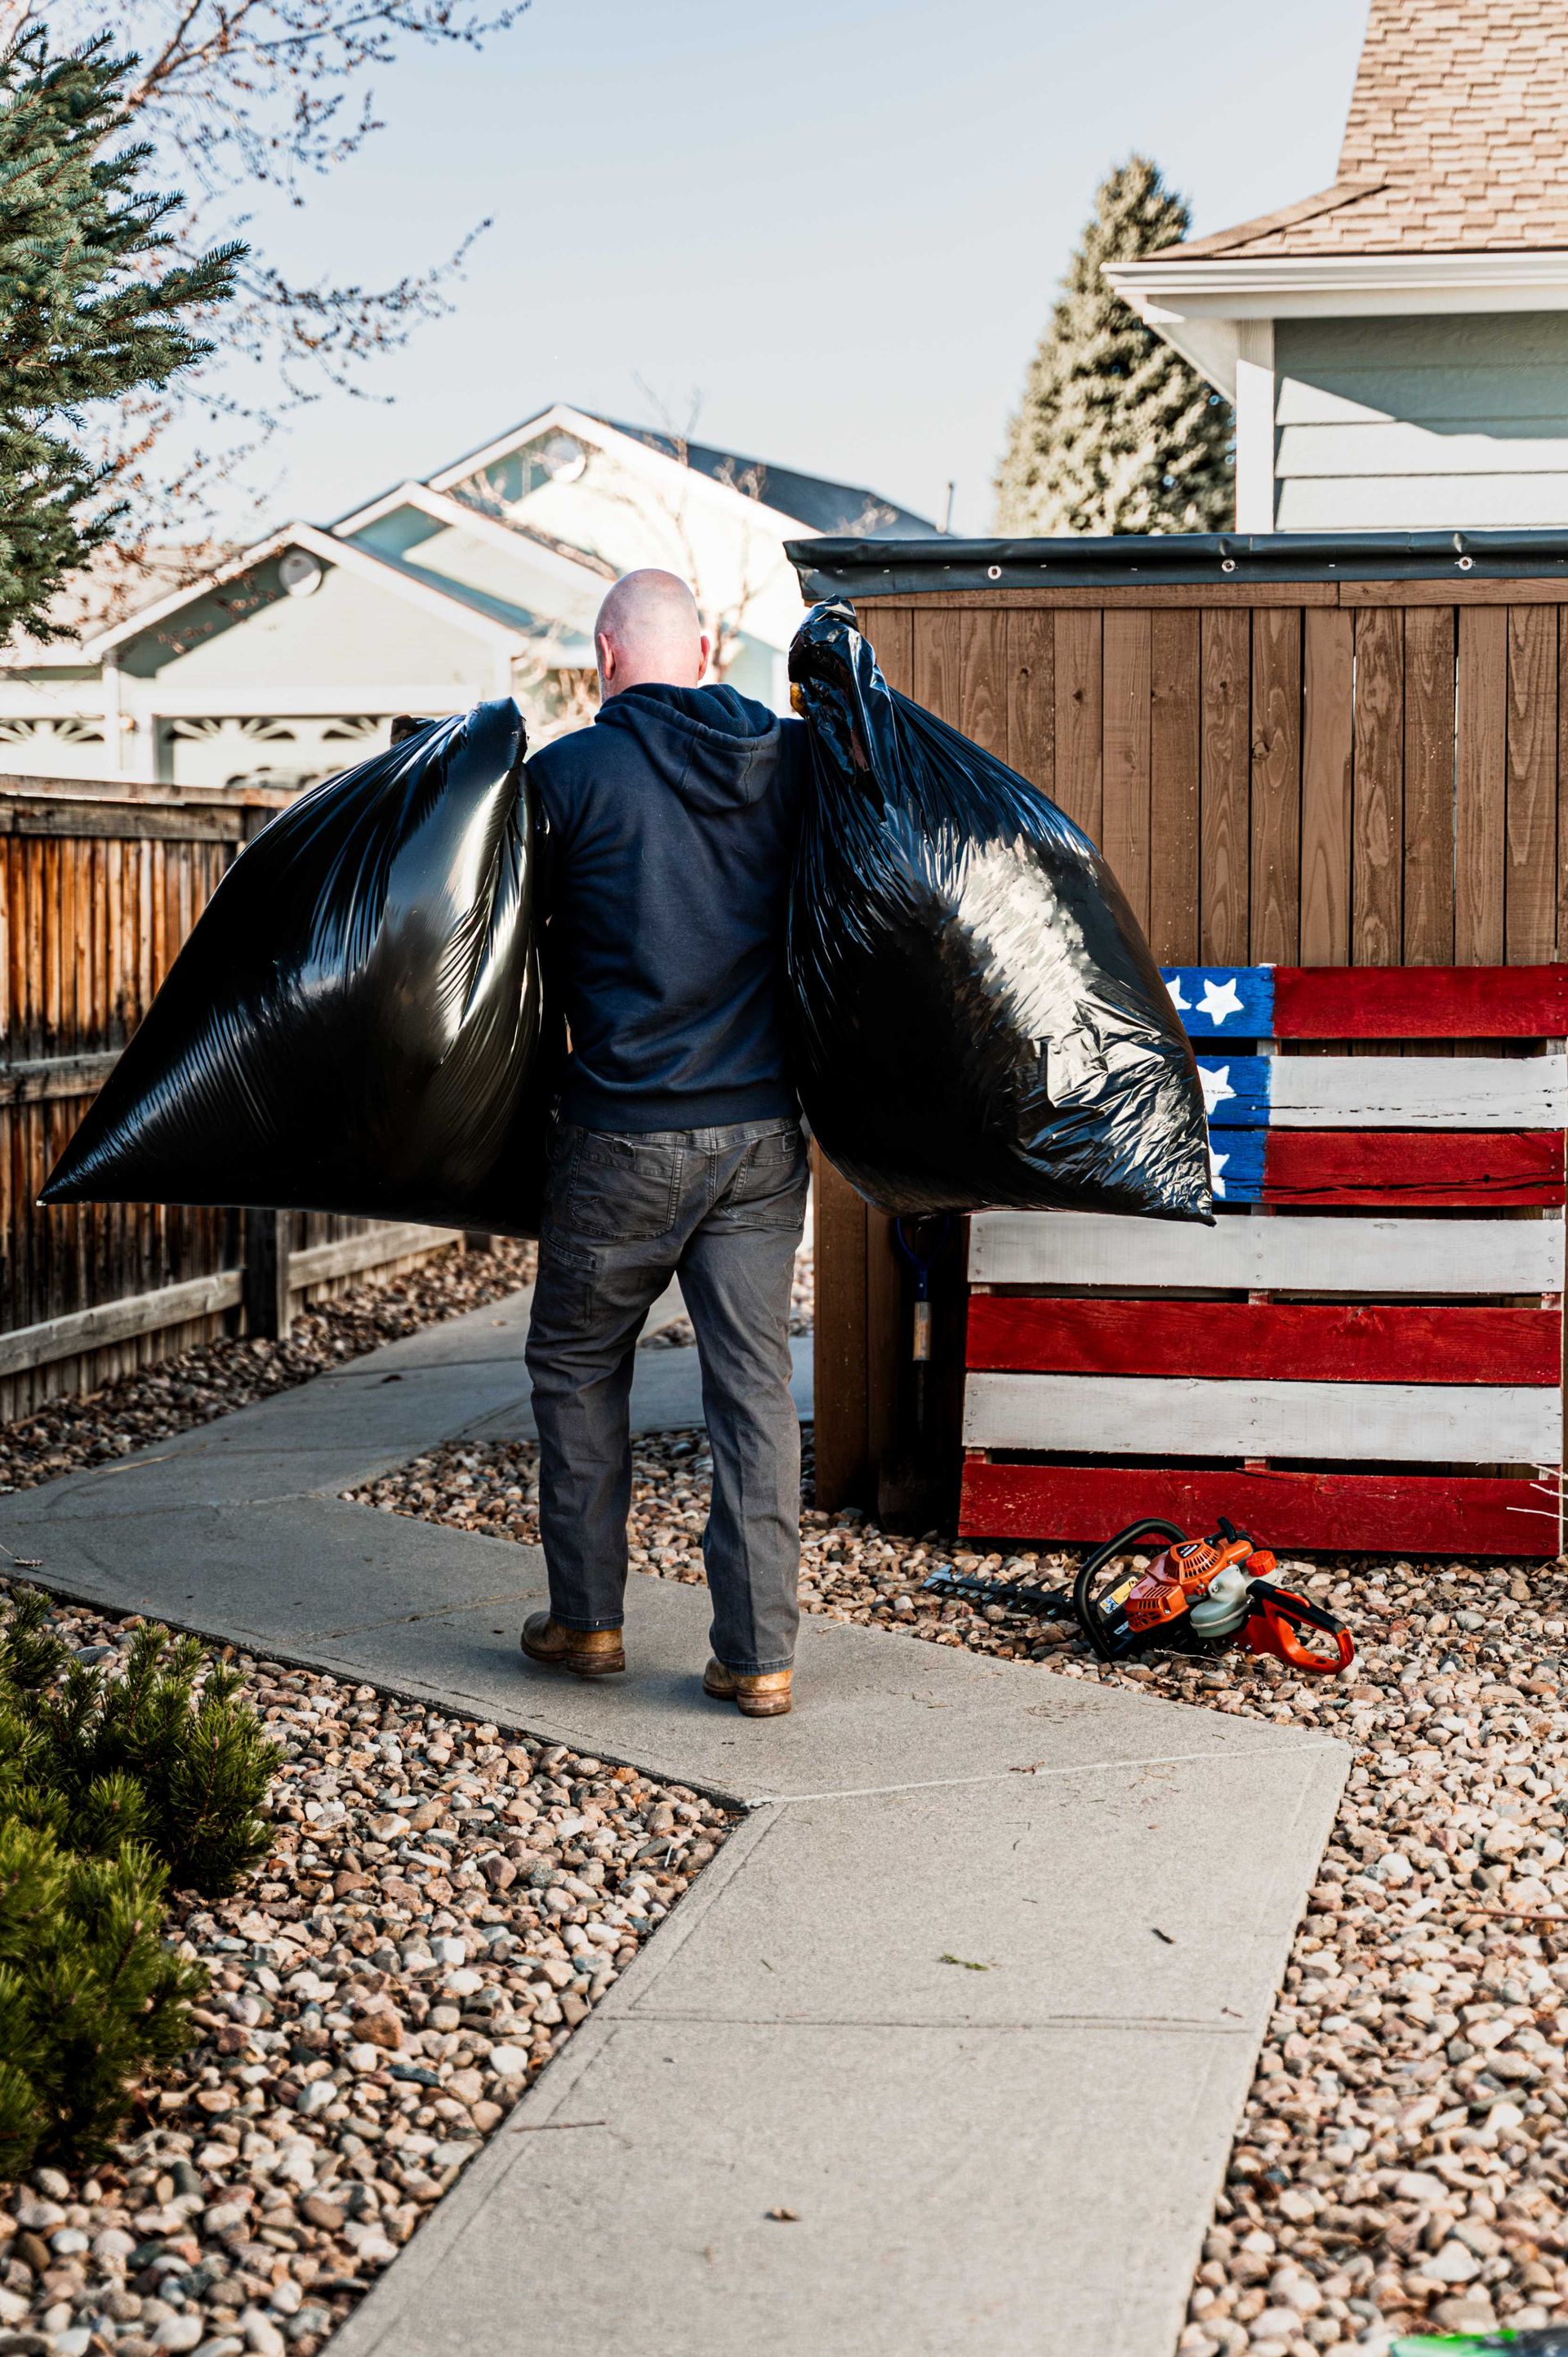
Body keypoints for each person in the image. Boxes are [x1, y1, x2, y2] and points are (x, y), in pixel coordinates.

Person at [519, 568, 809, 1718]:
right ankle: (759, 1655)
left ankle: (588, 1621)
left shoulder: (568, 777)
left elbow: (496, 955)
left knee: (579, 1363)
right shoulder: (789, 769)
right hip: (760, 1136)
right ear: (706, 651)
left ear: (603, 655)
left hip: (623, 1133)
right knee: (753, 1389)